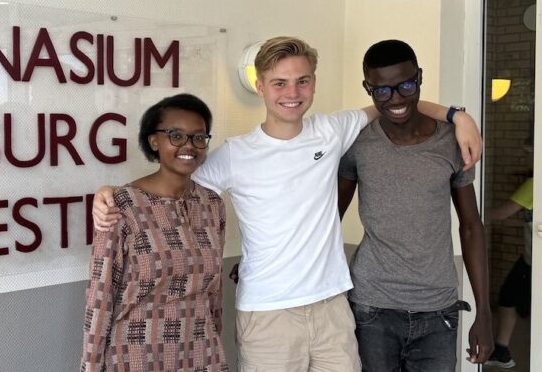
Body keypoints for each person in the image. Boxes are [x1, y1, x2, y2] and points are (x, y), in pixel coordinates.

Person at [92, 36, 483, 371]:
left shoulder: (332, 131)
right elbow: (171, 181)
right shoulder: (235, 155)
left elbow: (395, 102)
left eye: (301, 81)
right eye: (279, 83)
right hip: (268, 315)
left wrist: (457, 115)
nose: (291, 93)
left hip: (334, 310)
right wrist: (111, 193)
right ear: (260, 86)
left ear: (313, 84)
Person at [337, 39, 493, 370]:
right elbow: (328, 218)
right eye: (382, 91)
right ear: (368, 88)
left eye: (406, 85)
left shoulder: (452, 141)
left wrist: (484, 311)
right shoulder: (357, 144)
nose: (396, 99)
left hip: (438, 311)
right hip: (372, 309)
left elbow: (470, 226)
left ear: (419, 77)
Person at [81, 93, 228, 371]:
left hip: (201, 353)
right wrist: (90, 366)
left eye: (199, 137)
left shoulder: (212, 205)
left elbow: (214, 295)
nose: (189, 145)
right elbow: (100, 298)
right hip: (137, 355)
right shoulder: (121, 205)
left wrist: (216, 347)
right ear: (154, 141)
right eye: (176, 135)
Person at [485, 142, 533, 369]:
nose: (527, 158)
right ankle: (501, 350)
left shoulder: (534, 184)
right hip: (530, 259)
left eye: (530, 154)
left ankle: (502, 351)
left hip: (534, 261)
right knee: (509, 298)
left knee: (508, 298)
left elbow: (504, 213)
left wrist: (476, 217)